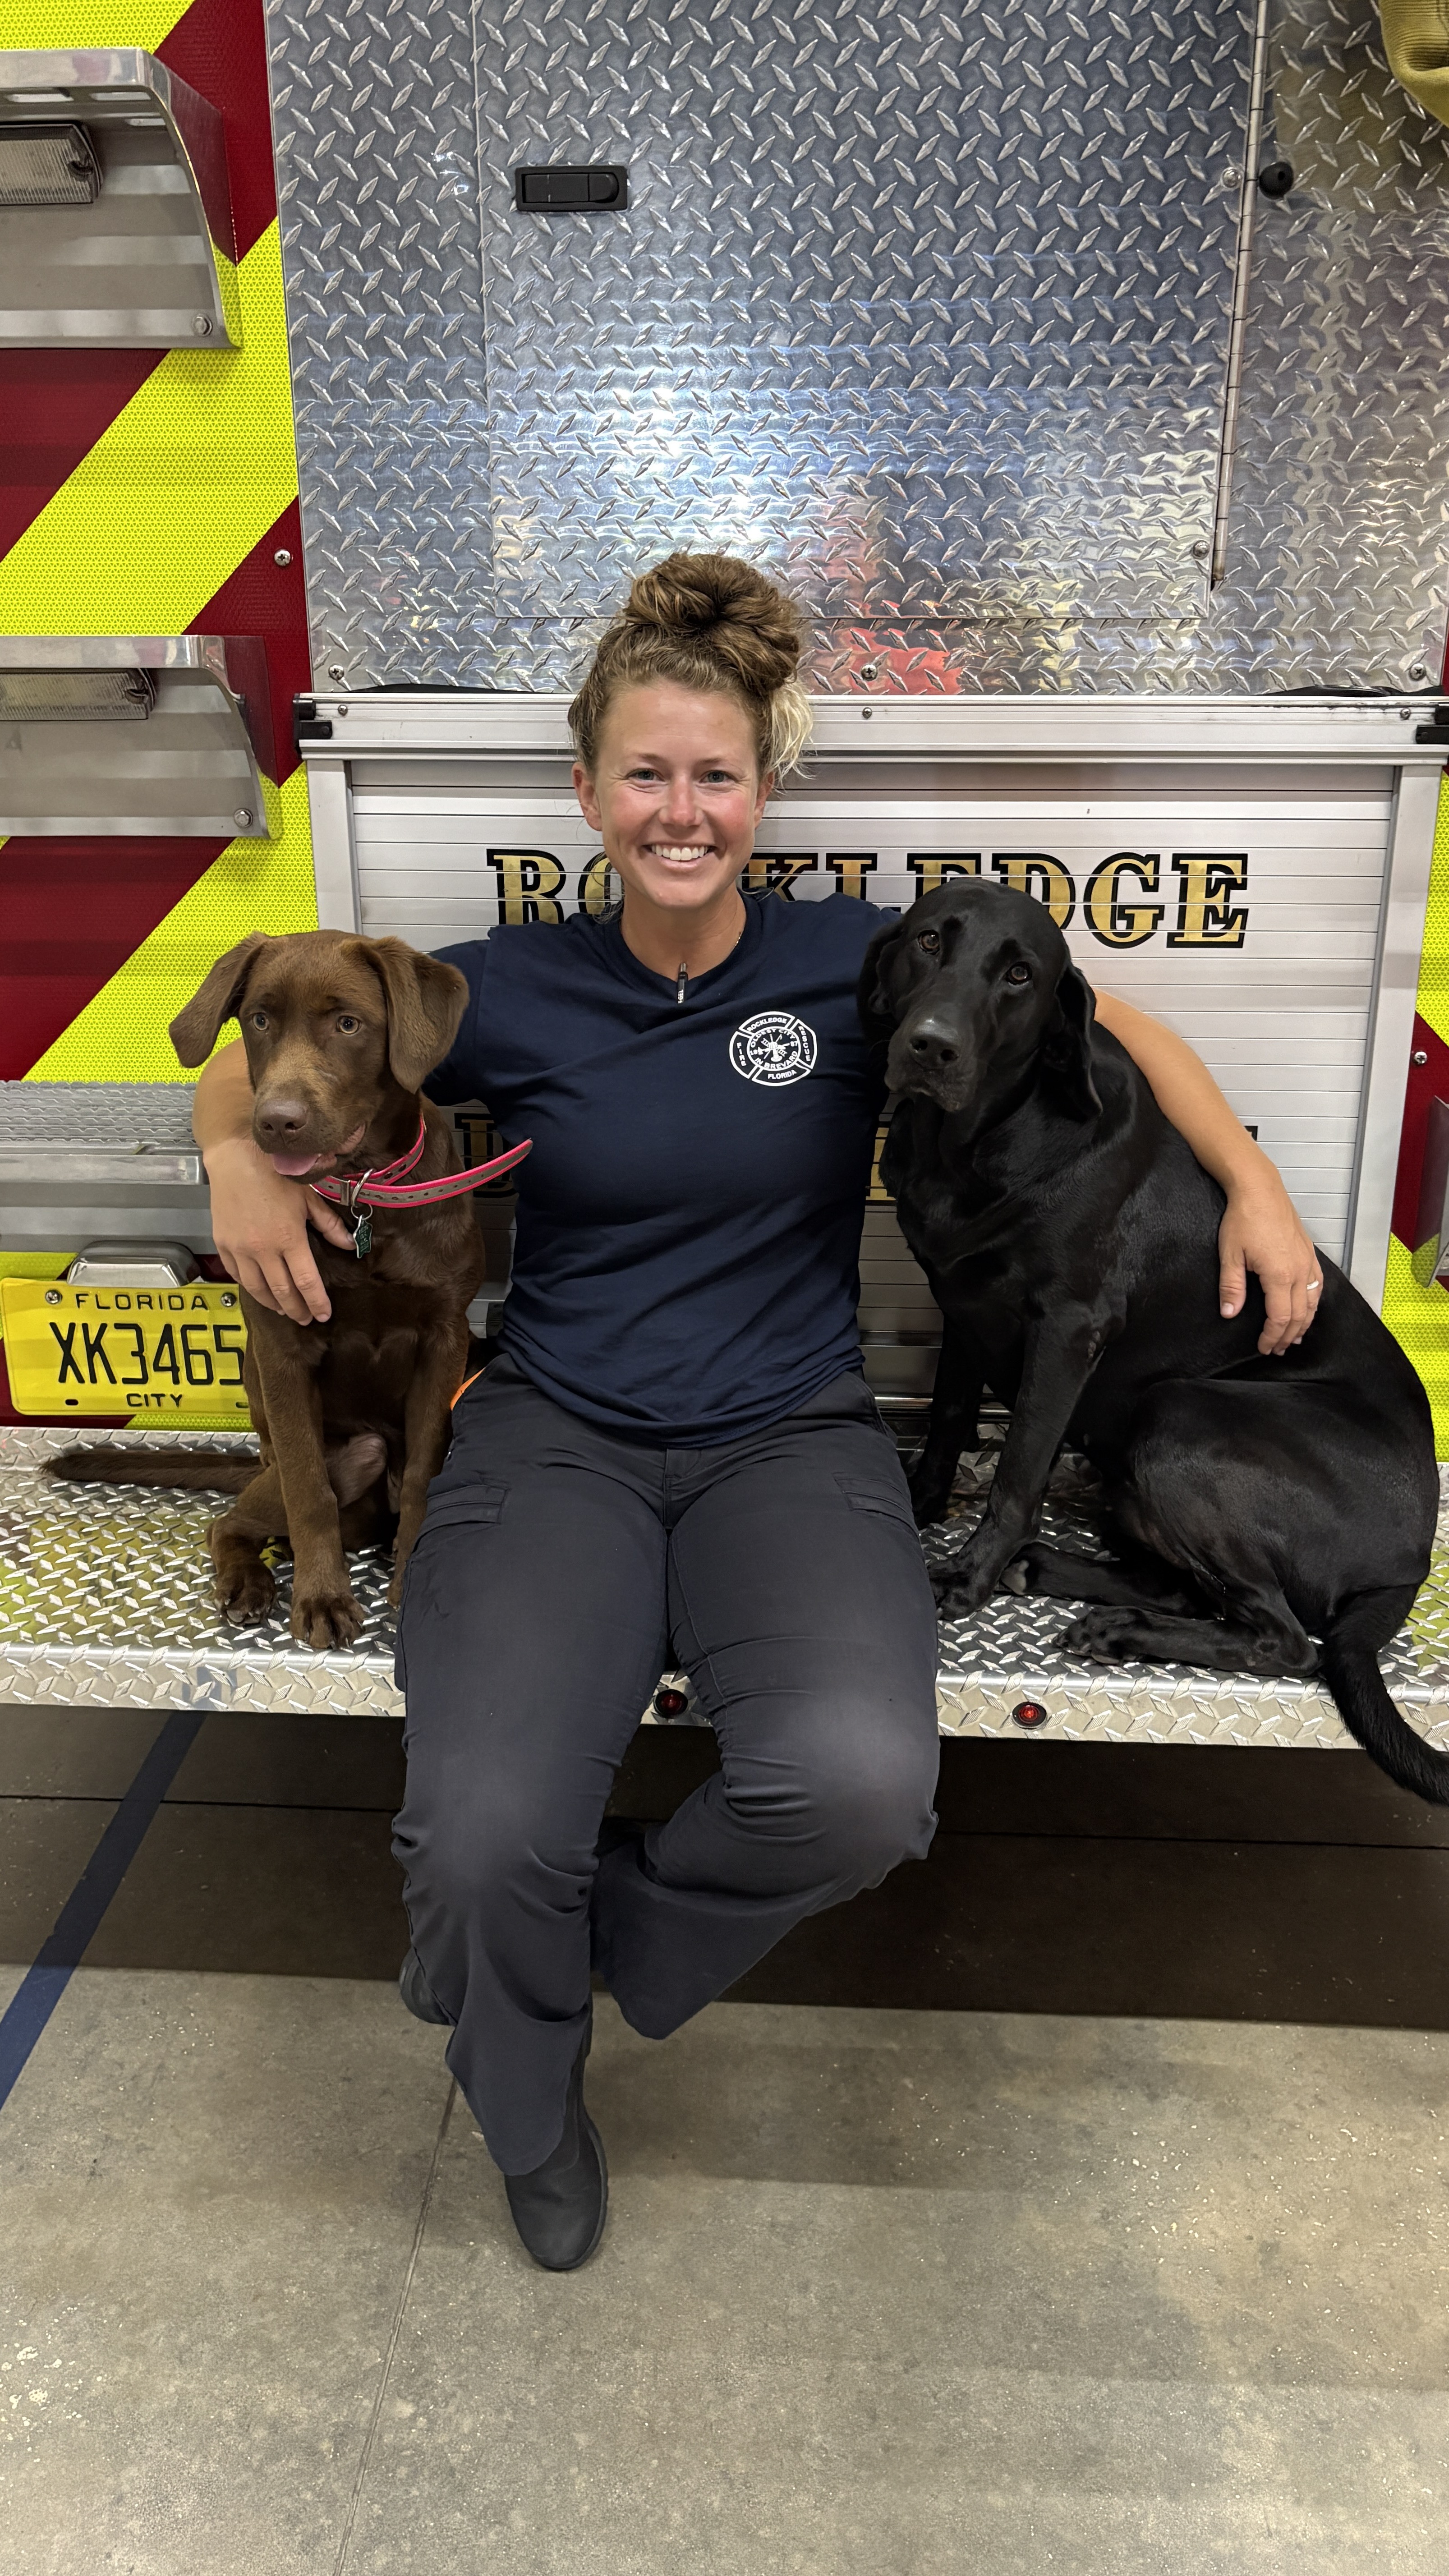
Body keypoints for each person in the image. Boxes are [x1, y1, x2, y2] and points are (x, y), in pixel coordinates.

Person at [192, 553, 1321, 2271]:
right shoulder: (508, 988)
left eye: (715, 775)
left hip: (786, 1438)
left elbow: (1114, 1018)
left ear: (761, 793)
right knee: (483, 1826)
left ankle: (586, 1939)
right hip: (553, 1431)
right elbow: (265, 1037)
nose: (681, 808)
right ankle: (528, 2098)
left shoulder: (852, 967)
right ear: (587, 793)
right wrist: (234, 1171)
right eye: (645, 774)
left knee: (863, 1790)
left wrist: (1255, 1187)